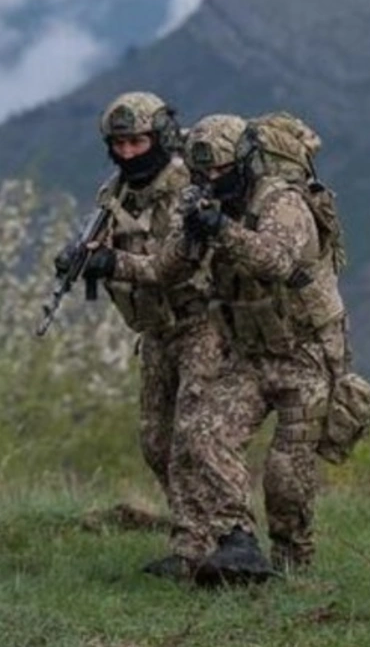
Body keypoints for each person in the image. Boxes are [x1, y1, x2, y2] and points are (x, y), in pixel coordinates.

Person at [94, 112, 345, 584]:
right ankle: (236, 541)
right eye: (203, 171)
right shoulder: (203, 204)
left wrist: (221, 230)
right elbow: (164, 270)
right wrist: (110, 261)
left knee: (285, 479)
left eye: (220, 171)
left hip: (304, 356)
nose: (212, 180)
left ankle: (293, 567)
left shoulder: (281, 201)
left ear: (244, 163)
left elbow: (281, 260)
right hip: (248, 356)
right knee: (199, 435)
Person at [61, 91, 219, 579]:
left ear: (160, 137)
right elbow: (106, 242)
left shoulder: (188, 189)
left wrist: (115, 262)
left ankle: (210, 545)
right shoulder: (116, 194)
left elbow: (179, 265)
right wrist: (80, 258)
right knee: (156, 441)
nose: (128, 152)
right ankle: (196, 533)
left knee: (196, 439)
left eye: (137, 141)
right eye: (120, 143)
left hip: (201, 324)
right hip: (155, 332)